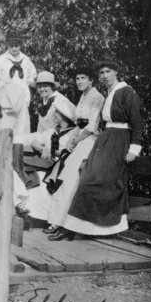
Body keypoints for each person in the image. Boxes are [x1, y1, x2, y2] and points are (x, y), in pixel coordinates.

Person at [61, 56, 143, 239]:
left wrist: (133, 149)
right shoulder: (109, 92)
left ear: (116, 72)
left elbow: (137, 123)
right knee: (88, 175)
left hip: (120, 140)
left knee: (102, 180)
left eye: (108, 72)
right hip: (105, 139)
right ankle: (85, 229)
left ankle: (107, 229)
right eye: (101, 73)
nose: (105, 76)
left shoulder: (126, 91)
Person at [45, 67, 104, 239]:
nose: (79, 81)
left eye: (83, 78)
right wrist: (72, 138)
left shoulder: (97, 97)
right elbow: (80, 123)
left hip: (90, 142)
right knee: (64, 180)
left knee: (71, 181)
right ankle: (58, 222)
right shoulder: (82, 96)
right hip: (80, 140)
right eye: (77, 78)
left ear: (91, 80)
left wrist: (76, 139)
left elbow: (92, 126)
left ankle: (67, 227)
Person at [17, 97, 76, 222]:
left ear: (64, 117)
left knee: (41, 183)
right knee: (22, 167)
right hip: (45, 162)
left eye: (56, 112)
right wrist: (43, 149)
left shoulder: (72, 134)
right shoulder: (52, 131)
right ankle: (26, 213)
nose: (53, 114)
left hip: (59, 166)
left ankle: (38, 217)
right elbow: (35, 142)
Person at [0, 30, 37, 134]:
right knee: (7, 123)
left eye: (16, 46)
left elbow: (32, 74)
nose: (14, 48)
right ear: (7, 46)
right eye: (11, 46)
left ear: (20, 46)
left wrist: (27, 83)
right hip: (7, 98)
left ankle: (21, 146)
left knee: (22, 124)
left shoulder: (25, 59)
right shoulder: (0, 60)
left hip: (22, 96)